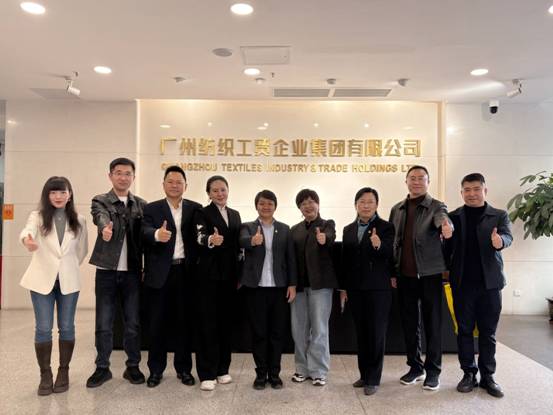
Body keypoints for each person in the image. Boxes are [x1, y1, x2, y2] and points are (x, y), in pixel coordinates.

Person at [444, 173, 513, 398]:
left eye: (476, 189)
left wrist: (500, 241)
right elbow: (446, 252)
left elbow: (508, 237)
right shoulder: (453, 217)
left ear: (485, 190)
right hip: (462, 284)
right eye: (467, 190)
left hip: (490, 285)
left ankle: (488, 377)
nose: (471, 194)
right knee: (464, 331)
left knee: (488, 332)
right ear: (461, 192)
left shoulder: (499, 215)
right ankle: (468, 374)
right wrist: (445, 237)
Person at [20, 176, 88, 395]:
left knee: (67, 327)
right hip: (41, 280)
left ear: (70, 195)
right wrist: (28, 240)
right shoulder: (37, 216)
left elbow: (82, 250)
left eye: (62, 192)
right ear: (47, 195)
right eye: (53, 192)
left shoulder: (80, 220)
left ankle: (63, 371)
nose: (58, 196)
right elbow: (27, 231)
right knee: (43, 328)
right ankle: (45, 374)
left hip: (69, 280)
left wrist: (67, 267)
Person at [389, 165, 453, 391]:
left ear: (428, 182)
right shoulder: (397, 209)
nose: (416, 182)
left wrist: (446, 227)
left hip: (429, 275)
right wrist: (393, 271)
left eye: (421, 178)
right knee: (409, 324)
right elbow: (392, 242)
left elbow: (443, 219)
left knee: (432, 324)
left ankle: (433, 371)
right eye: (412, 178)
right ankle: (415, 367)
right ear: (406, 181)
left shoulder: (436, 206)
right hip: (404, 276)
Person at [87, 157, 147, 388]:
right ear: (110, 175)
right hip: (107, 271)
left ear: (134, 177)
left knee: (133, 323)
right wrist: (105, 228)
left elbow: (146, 235)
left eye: (127, 173)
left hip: (132, 272)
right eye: (118, 173)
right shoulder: (100, 200)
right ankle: (102, 368)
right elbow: (99, 216)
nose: (123, 177)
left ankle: (133, 367)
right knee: (104, 323)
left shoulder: (141, 205)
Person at [141, 165, 201, 388]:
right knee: (157, 323)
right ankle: (156, 370)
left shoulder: (195, 208)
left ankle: (184, 369)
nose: (175, 185)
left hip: (186, 272)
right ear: (163, 184)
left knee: (183, 323)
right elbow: (143, 232)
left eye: (179, 182)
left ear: (186, 186)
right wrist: (157, 234)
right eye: (170, 181)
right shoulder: (152, 208)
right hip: (160, 274)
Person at [239, 190, 297, 390]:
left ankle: (275, 374)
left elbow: (290, 259)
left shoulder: (285, 229)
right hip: (256, 289)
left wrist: (292, 284)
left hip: (279, 289)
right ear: (256, 206)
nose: (266, 207)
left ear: (275, 206)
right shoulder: (247, 227)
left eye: (270, 203)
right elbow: (241, 240)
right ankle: (261, 374)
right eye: (262, 203)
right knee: (259, 333)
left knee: (277, 333)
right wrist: (252, 241)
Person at [340, 187, 395, 396]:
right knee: (362, 333)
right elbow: (345, 261)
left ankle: (373, 378)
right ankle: (364, 375)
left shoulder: (386, 227)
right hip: (355, 289)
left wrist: (379, 245)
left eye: (370, 202)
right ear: (356, 205)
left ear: (377, 205)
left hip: (378, 289)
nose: (366, 206)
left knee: (376, 333)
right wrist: (343, 288)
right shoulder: (348, 229)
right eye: (362, 202)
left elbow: (390, 255)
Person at [194, 175, 241, 391]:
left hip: (230, 277)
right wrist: (210, 240)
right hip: (208, 277)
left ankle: (223, 369)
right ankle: (207, 373)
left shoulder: (235, 214)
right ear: (209, 194)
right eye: (215, 190)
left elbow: (238, 246)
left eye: (223, 189)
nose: (220, 194)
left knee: (226, 324)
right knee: (207, 324)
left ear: (228, 190)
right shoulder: (202, 213)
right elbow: (199, 236)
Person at [289, 189, 338, 386]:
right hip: (299, 287)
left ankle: (318, 370)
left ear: (318, 204)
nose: (308, 206)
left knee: (319, 329)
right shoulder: (294, 230)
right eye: (303, 203)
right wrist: (291, 283)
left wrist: (324, 238)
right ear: (299, 208)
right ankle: (301, 368)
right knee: (299, 330)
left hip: (321, 286)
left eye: (311, 202)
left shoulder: (327, 224)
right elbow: (291, 259)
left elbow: (330, 236)